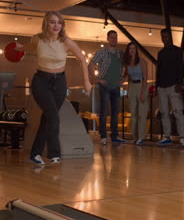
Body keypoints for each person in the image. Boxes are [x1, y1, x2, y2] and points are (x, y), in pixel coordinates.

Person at [15, 11, 91, 165]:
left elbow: (82, 59)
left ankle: (35, 153)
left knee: (48, 118)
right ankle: (54, 154)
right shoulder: (38, 39)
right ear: (46, 24)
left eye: (59, 22)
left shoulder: (66, 42)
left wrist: (86, 81)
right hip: (41, 82)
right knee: (54, 117)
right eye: (52, 22)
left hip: (60, 83)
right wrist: (18, 48)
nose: (56, 25)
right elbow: (29, 47)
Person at [88, 30, 126, 145]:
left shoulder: (121, 53)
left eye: (115, 37)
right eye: (112, 37)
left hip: (116, 86)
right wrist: (97, 80)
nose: (114, 39)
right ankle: (103, 136)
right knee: (104, 112)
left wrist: (123, 78)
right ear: (108, 39)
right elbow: (90, 65)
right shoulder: (102, 52)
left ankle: (114, 136)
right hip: (104, 86)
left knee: (115, 112)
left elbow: (127, 66)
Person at [156, 28, 184, 146]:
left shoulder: (178, 51)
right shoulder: (160, 53)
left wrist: (180, 83)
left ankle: (182, 137)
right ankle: (167, 136)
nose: (164, 39)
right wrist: (157, 86)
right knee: (164, 112)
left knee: (178, 112)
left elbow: (181, 68)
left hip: (174, 86)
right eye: (162, 37)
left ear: (170, 37)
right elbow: (159, 70)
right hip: (162, 87)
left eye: (166, 36)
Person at [122, 42, 149, 145]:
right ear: (128, 50)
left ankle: (141, 137)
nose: (132, 50)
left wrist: (142, 92)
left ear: (136, 50)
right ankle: (135, 137)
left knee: (141, 114)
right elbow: (127, 76)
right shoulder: (127, 63)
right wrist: (128, 89)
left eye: (134, 48)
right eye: (130, 49)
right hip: (132, 86)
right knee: (133, 114)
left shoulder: (142, 61)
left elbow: (145, 78)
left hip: (141, 85)